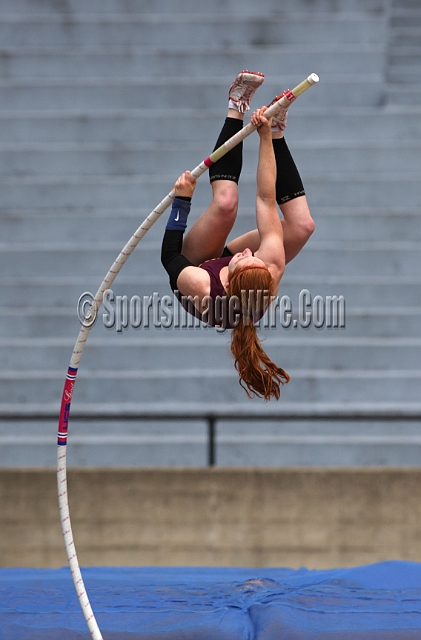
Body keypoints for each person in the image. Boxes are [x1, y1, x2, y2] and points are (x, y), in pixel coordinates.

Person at [161, 71, 315, 401]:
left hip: (191, 265)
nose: (246, 252)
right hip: (241, 279)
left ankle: (235, 105)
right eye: (251, 256)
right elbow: (265, 197)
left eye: (243, 259)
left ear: (228, 280)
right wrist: (264, 137)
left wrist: (182, 200)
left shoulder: (202, 288)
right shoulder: (268, 266)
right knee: (302, 227)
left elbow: (169, 258)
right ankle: (277, 128)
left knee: (226, 203)